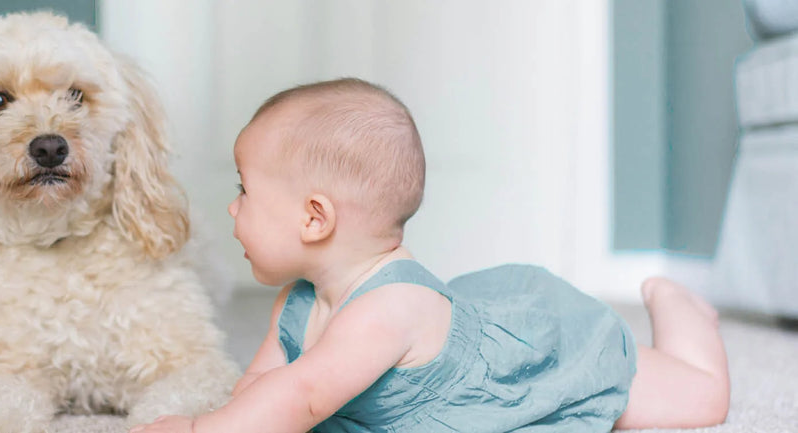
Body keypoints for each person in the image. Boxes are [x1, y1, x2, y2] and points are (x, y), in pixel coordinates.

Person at [131, 78, 730, 432]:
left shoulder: (387, 309)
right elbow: (263, 387)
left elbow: (298, 398)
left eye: (244, 191)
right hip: (457, 326)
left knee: (702, 401)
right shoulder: (298, 301)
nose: (232, 209)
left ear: (315, 218)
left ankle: (679, 308)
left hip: (535, 365)